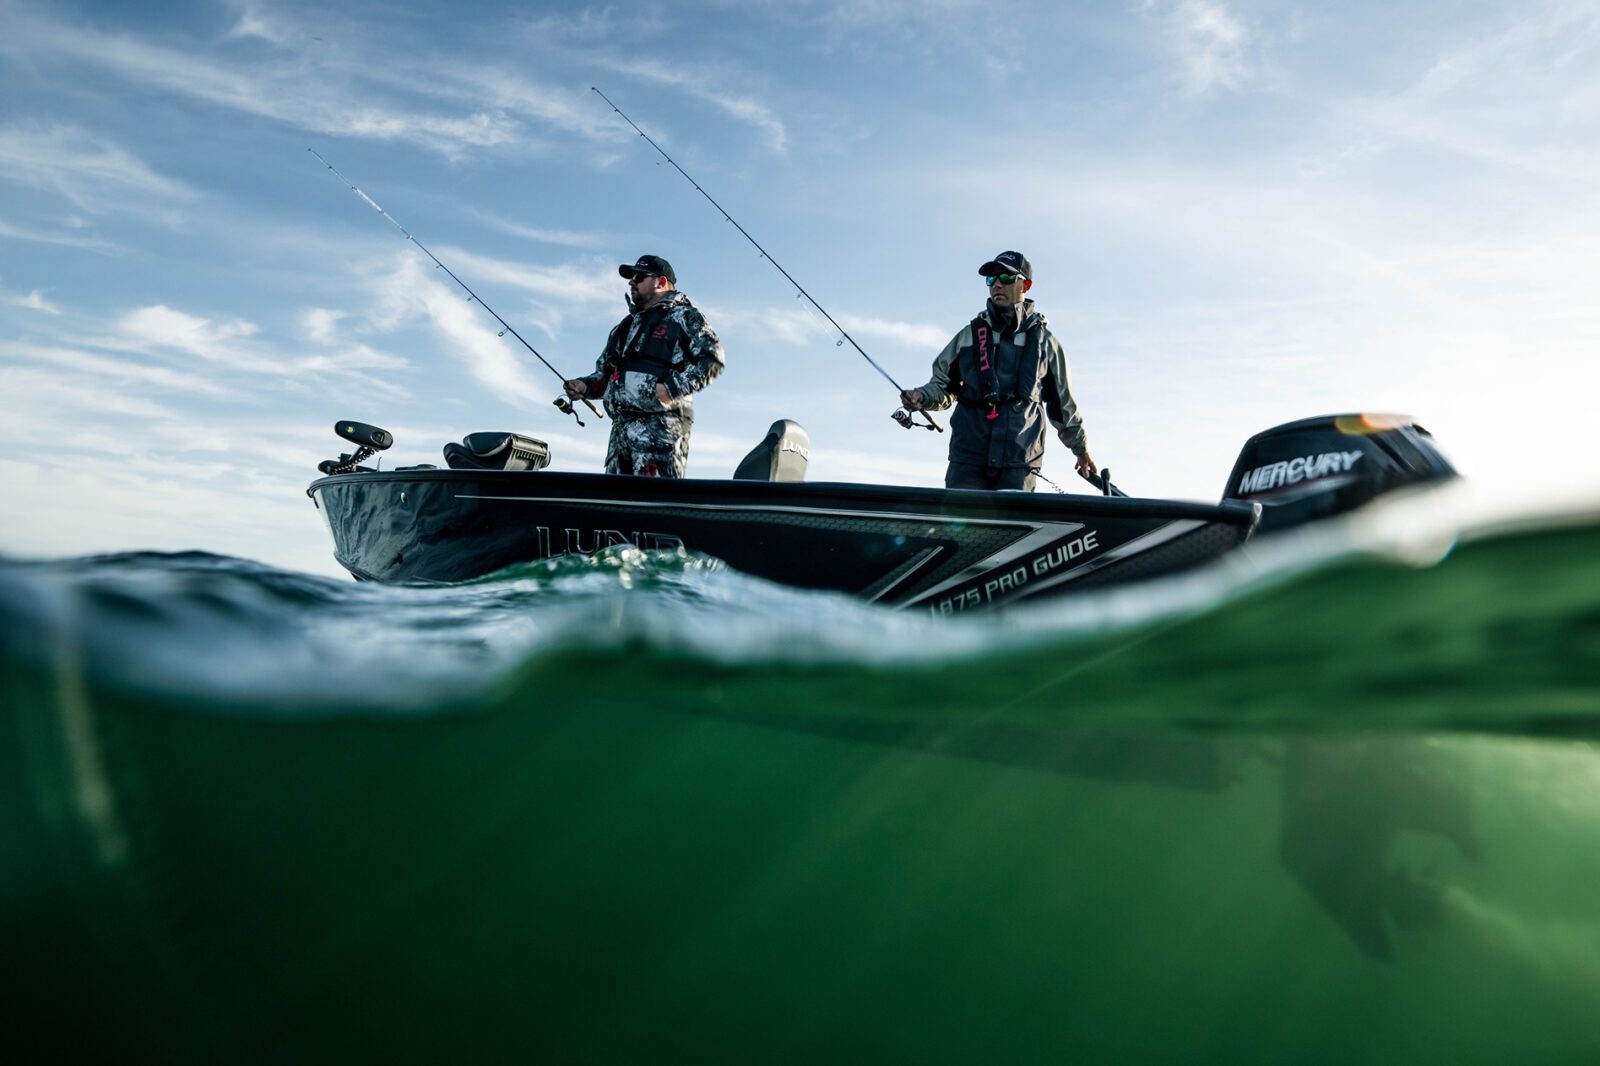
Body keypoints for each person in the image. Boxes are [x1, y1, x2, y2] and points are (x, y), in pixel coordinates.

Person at [901, 250, 1097, 491]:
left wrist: (1081, 450)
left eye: (1006, 278)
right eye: (991, 279)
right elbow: (942, 386)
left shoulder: (1046, 343)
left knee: (1013, 527)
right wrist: (923, 397)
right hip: (968, 459)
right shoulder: (968, 336)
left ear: (1026, 284)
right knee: (959, 528)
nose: (997, 285)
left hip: (1019, 461)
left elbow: (1062, 405)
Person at [564, 254, 725, 477]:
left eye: (639, 277)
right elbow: (605, 375)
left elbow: (712, 360)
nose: (632, 282)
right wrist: (584, 386)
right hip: (620, 435)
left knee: (656, 504)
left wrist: (671, 388)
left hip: (660, 434)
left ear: (661, 282)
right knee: (616, 506)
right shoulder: (623, 327)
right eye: (631, 278)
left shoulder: (685, 317)